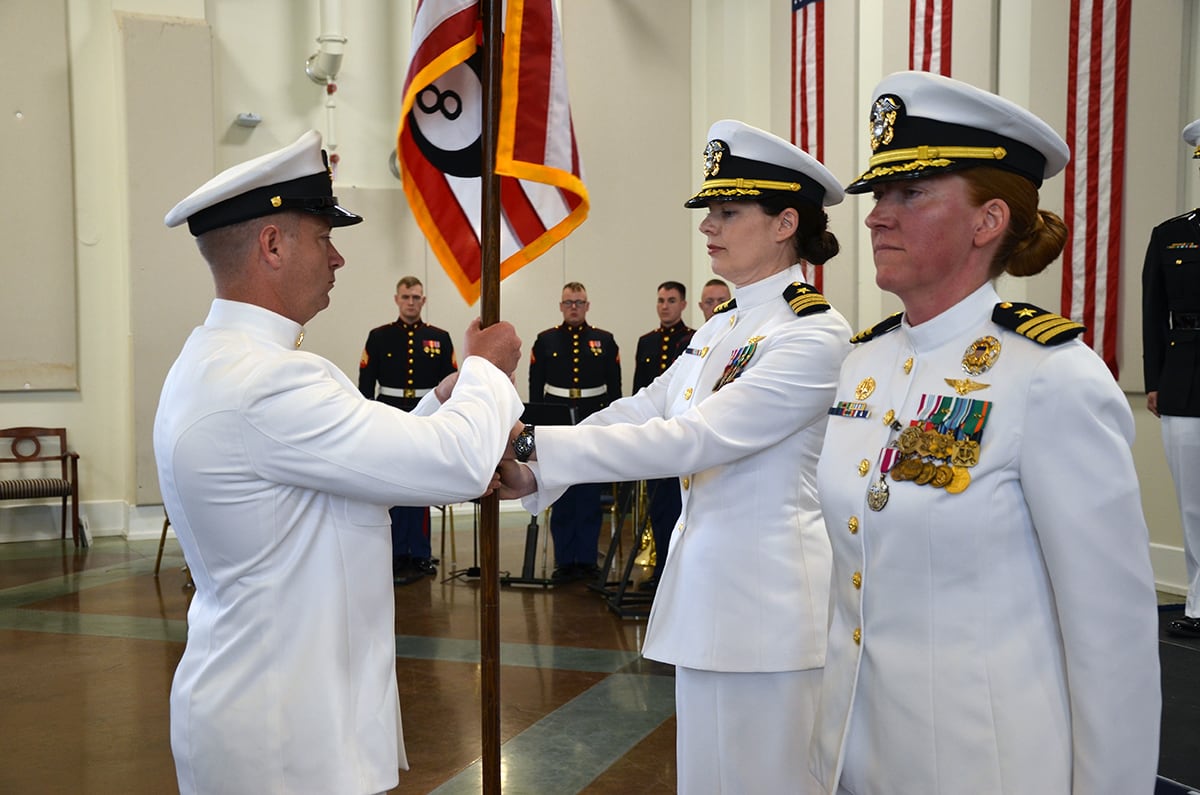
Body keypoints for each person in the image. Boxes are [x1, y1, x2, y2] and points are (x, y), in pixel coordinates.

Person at [810, 71, 1161, 795]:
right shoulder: (864, 364)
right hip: (851, 756)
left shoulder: (1051, 377)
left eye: (909, 194)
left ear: (988, 219)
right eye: (880, 194)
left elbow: (1112, 641)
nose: (877, 215)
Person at [154, 130, 524, 795]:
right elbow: (456, 464)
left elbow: (352, 466)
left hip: (270, 710)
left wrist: (444, 398)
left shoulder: (218, 361)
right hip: (285, 736)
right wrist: (485, 373)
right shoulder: (269, 381)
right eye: (323, 237)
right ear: (272, 245)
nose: (339, 257)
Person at [501, 119, 852, 793]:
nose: (708, 226)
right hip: (706, 603)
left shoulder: (813, 335)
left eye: (727, 211)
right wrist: (535, 460)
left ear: (785, 223)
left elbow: (691, 437)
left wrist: (528, 444)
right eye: (709, 212)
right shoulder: (722, 325)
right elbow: (648, 407)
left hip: (773, 614)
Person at [359, 276, 458, 585]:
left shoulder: (439, 338)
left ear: (423, 300)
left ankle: (420, 553)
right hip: (390, 415)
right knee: (392, 483)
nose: (411, 302)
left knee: (421, 484)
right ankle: (396, 552)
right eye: (406, 297)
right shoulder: (379, 337)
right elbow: (366, 383)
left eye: (416, 297)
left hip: (427, 419)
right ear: (397, 299)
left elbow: (452, 384)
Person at [1143, 116, 1200, 639]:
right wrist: (1155, 378)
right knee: (1193, 501)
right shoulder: (1173, 235)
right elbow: (1153, 310)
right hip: (1186, 379)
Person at [528, 282, 622, 582]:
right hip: (558, 423)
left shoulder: (604, 341)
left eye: (579, 302)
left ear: (587, 306)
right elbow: (535, 391)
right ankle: (565, 560)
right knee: (561, 492)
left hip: (592, 420)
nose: (573, 307)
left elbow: (615, 390)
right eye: (568, 302)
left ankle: (586, 559)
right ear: (560, 306)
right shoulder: (545, 341)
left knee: (589, 493)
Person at [632, 280, 694, 589]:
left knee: (681, 507)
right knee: (657, 507)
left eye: (671, 300)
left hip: (683, 437)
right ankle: (660, 573)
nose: (665, 305)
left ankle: (680, 574)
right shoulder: (646, 343)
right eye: (660, 300)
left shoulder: (694, 340)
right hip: (653, 437)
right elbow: (638, 393)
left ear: (683, 304)